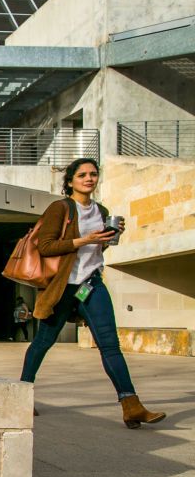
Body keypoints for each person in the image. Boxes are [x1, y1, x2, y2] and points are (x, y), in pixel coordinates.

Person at [19, 158, 166, 428]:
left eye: (93, 174)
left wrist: (108, 238)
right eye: (83, 175)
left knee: (110, 343)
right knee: (43, 341)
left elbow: (95, 252)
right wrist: (84, 239)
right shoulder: (60, 208)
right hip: (62, 287)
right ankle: (21, 398)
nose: (89, 179)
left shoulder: (102, 210)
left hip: (90, 284)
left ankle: (131, 404)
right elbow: (46, 247)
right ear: (71, 180)